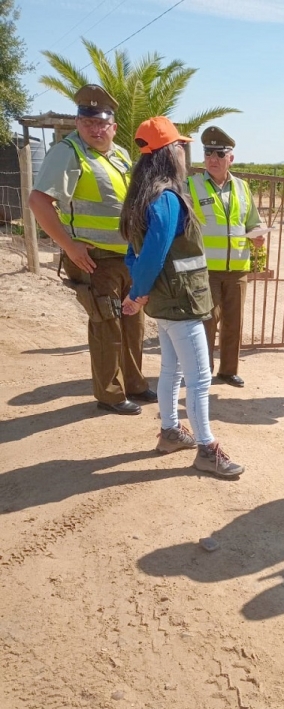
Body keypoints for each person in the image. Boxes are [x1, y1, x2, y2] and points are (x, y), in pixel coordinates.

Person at [120, 116, 244, 479]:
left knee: (172, 370)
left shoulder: (142, 196)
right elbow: (154, 253)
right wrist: (136, 294)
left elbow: (134, 253)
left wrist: (140, 292)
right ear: (168, 152)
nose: (184, 151)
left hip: (167, 301)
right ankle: (206, 449)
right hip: (182, 301)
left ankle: (170, 432)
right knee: (200, 378)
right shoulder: (168, 198)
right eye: (180, 146)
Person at [29, 84, 155, 415]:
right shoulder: (68, 152)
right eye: (87, 123)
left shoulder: (121, 155)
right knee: (107, 326)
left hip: (127, 257)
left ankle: (135, 383)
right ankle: (110, 395)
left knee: (133, 324)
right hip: (94, 260)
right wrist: (68, 246)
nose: (95, 130)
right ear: (77, 122)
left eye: (102, 124)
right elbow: (38, 201)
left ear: (113, 126)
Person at [187, 126, 265, 388]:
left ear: (231, 157)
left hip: (238, 268)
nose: (213, 158)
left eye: (219, 153)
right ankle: (203, 371)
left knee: (234, 322)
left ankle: (228, 370)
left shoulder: (242, 187)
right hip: (206, 268)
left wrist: (257, 234)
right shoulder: (192, 186)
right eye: (208, 152)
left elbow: (253, 222)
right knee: (207, 321)